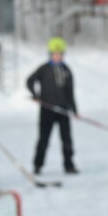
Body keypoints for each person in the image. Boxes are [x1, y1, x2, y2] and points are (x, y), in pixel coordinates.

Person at [27, 37, 79, 175]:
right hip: (47, 110)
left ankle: (69, 165)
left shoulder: (66, 70)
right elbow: (30, 81)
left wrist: (74, 109)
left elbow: (70, 92)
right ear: (50, 54)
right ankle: (38, 165)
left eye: (60, 53)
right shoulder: (44, 69)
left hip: (63, 110)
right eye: (55, 53)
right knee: (43, 139)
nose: (57, 56)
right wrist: (35, 95)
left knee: (66, 139)